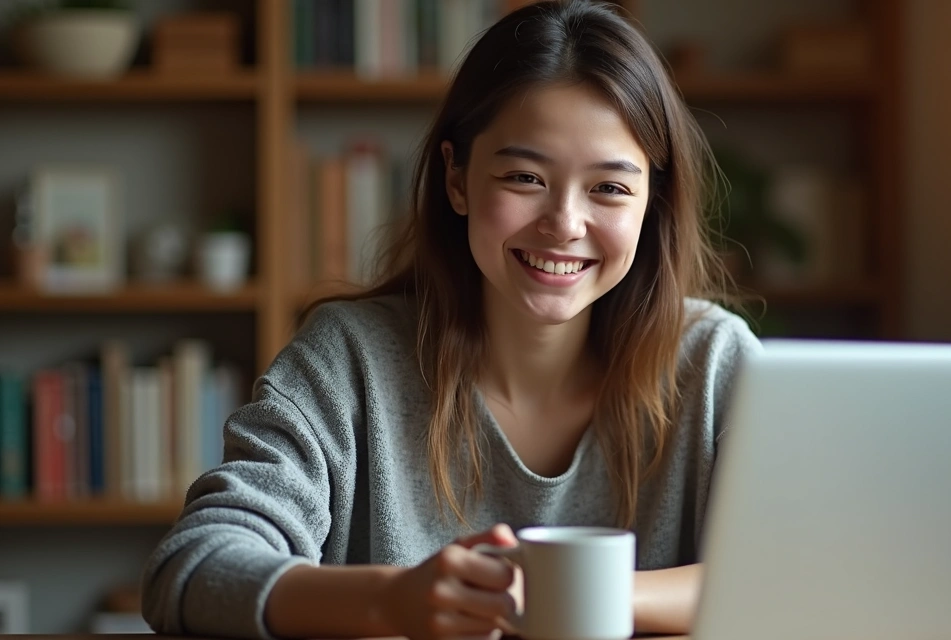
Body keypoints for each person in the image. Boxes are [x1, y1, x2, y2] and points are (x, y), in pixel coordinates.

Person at [141, 1, 761, 638]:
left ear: (650, 203)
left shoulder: (714, 362)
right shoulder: (350, 360)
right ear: (457, 179)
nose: (565, 224)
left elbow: (807, 567)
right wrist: (390, 602)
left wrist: (572, 591)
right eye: (524, 176)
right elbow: (191, 571)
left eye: (609, 188)